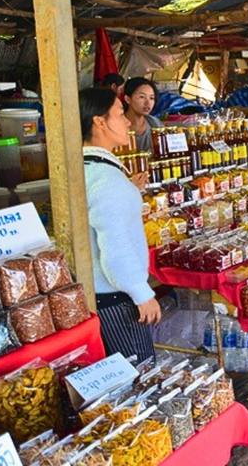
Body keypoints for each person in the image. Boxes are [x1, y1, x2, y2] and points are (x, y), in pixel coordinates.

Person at [80, 87, 161, 362]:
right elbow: (116, 248)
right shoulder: (106, 179)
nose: (127, 121)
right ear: (99, 121)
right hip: (115, 299)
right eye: (118, 113)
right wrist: (142, 292)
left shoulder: (87, 169)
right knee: (139, 375)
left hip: (98, 296)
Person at [123, 77, 162, 154]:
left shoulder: (155, 124)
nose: (148, 103)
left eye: (151, 98)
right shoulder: (116, 125)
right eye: (142, 97)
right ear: (127, 99)